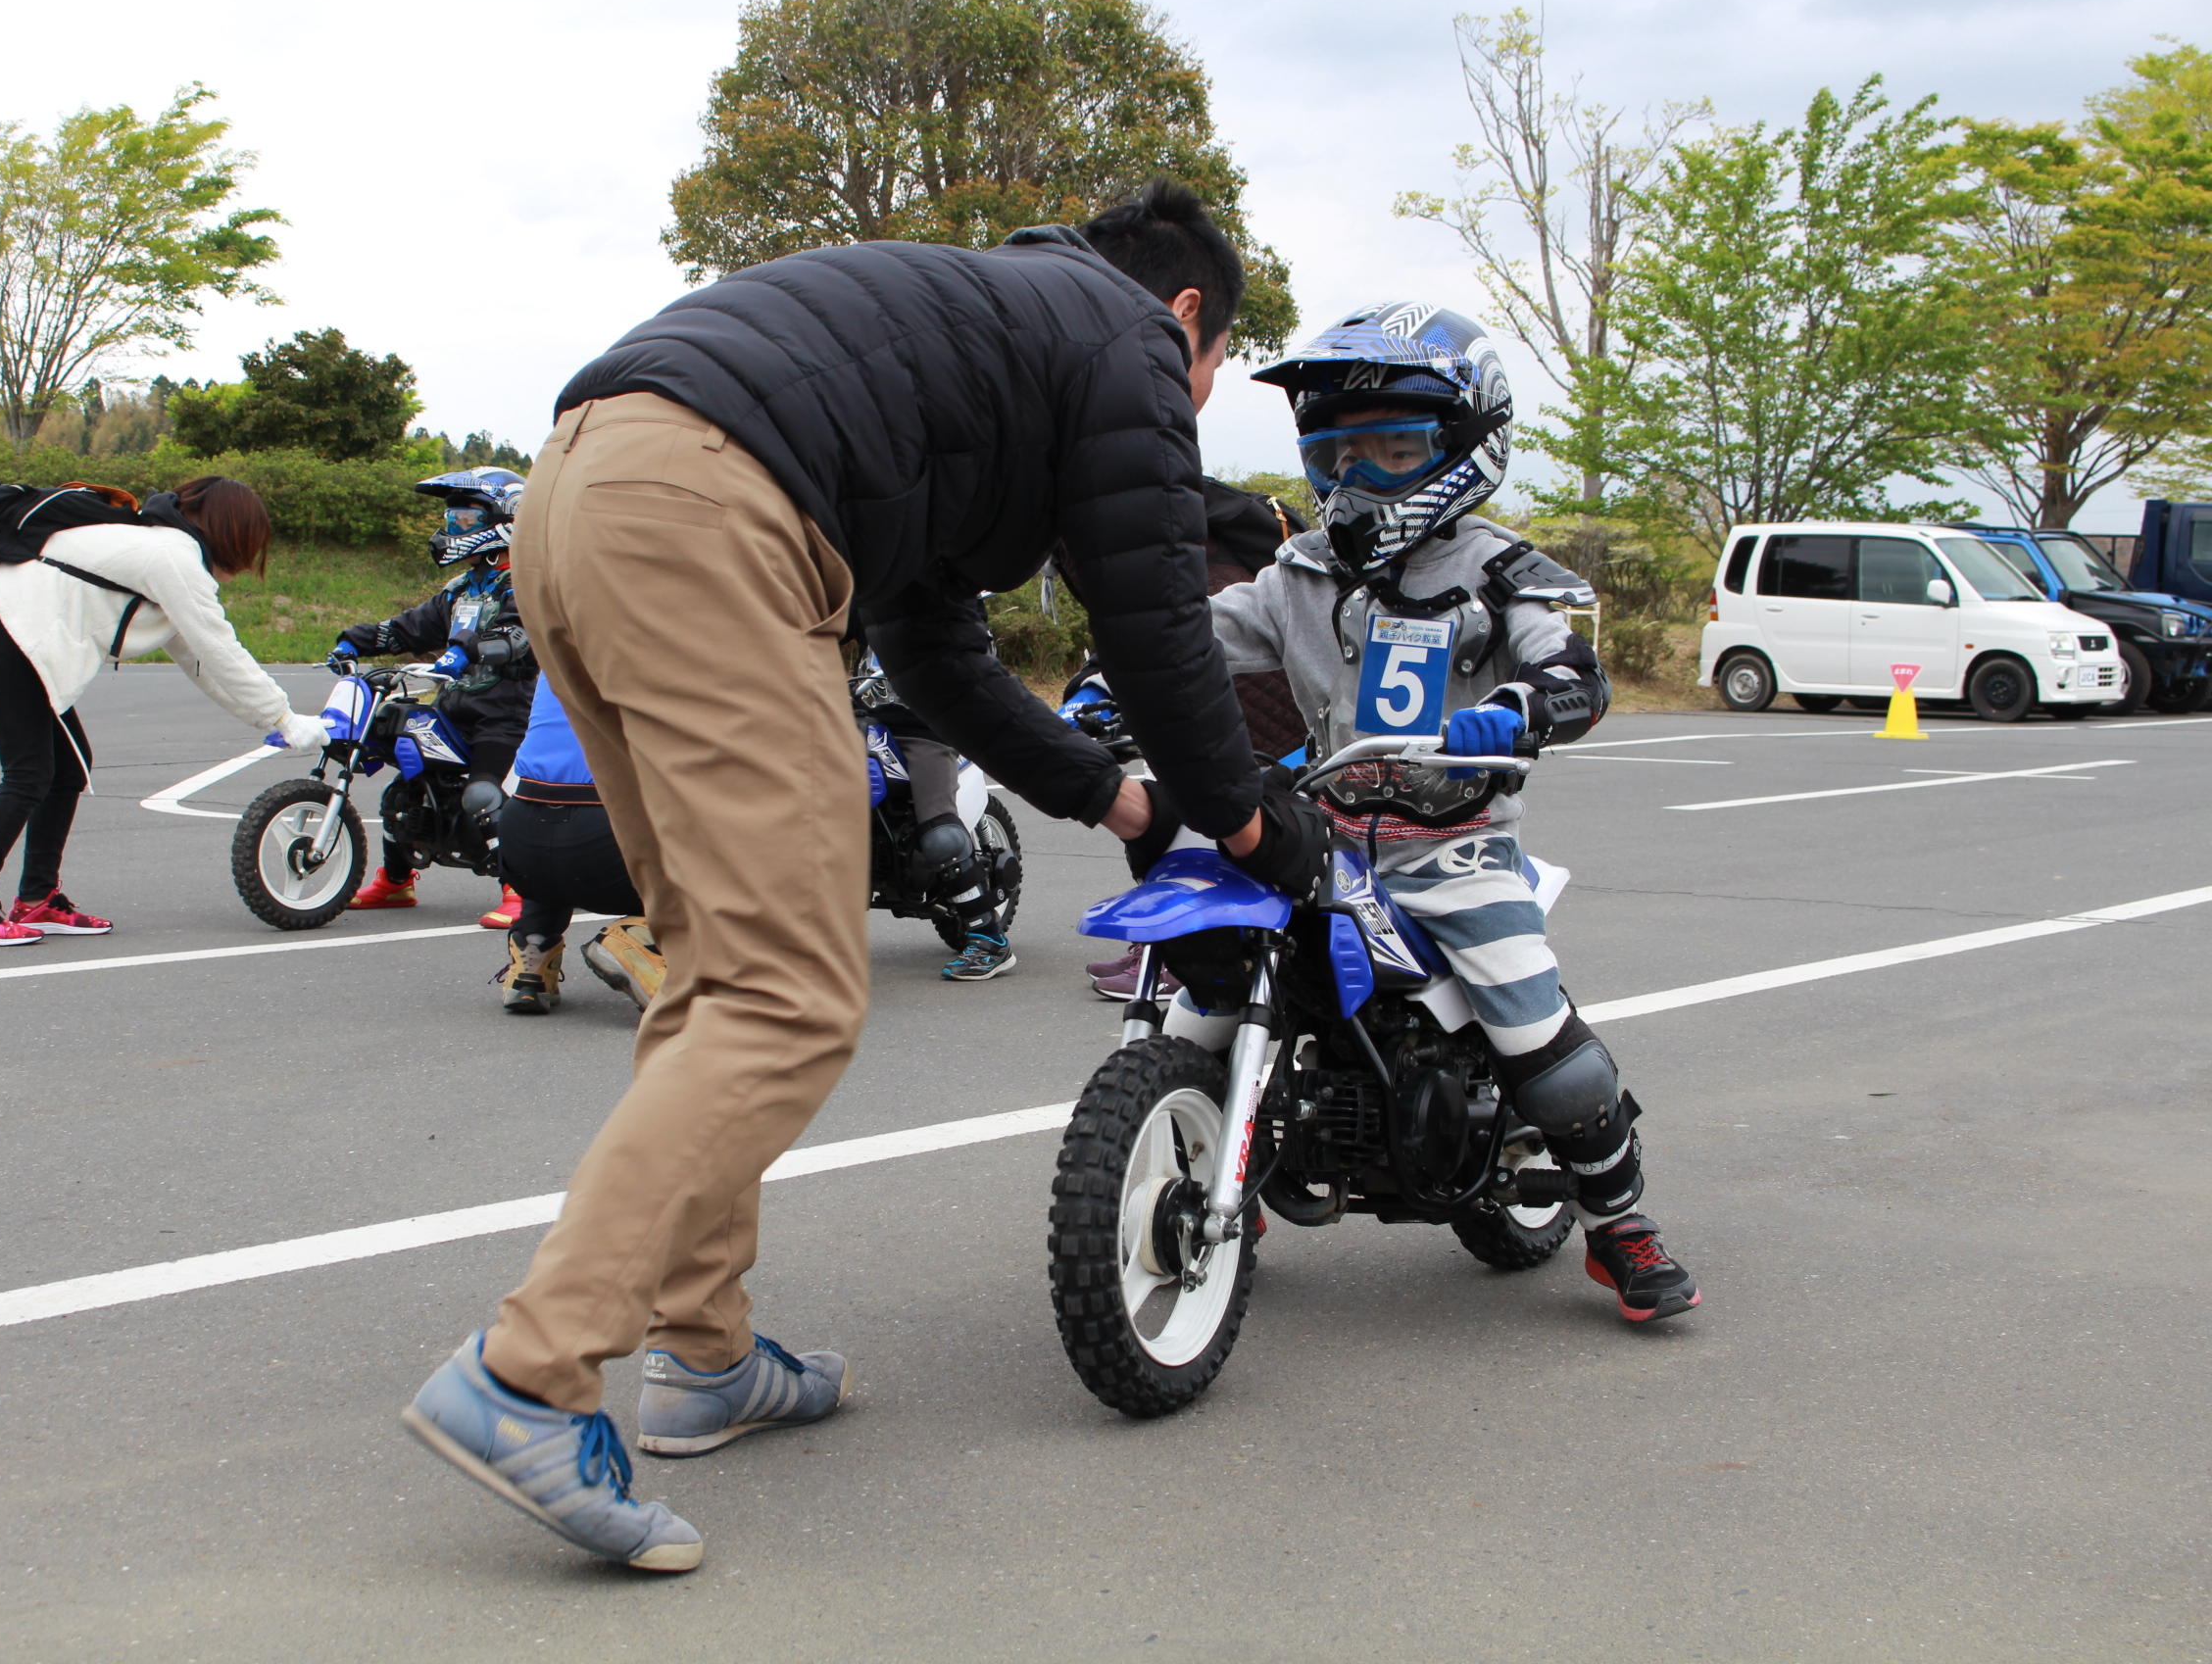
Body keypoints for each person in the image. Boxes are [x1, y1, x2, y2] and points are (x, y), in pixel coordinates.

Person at [401, 180, 1324, 1574]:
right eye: (1210, 376)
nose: (1190, 403)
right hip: (717, 514)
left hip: (578, 493)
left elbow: (941, 655)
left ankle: (705, 1356)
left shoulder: (963, 344)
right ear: (1188, 314)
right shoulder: (1126, 335)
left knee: (715, 970)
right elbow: (1153, 617)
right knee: (790, 999)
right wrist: (1249, 822)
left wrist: (1116, 797)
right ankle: (528, 1377)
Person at [1201, 298, 1700, 1325]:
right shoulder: (1293, 577)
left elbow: (1573, 672)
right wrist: (1103, 685)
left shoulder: (1501, 570)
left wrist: (1520, 705)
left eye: (1392, 447)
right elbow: (1186, 641)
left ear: (1465, 447)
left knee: (1532, 1032)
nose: (1357, 478)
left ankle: (1620, 1225)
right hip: (1323, 837)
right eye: (1336, 454)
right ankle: (1218, 1172)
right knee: (1218, 984)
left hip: (1457, 847)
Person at [0, 476, 330, 947]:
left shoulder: (162, 550)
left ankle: (37, 900)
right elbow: (218, 647)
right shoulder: (173, 558)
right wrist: (283, 719)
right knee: (28, 773)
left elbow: (199, 659)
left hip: (5, 625)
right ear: (233, 532)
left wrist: (273, 718)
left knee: (66, 770)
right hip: (4, 627)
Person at [1078, 475, 1309, 999]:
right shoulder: (1203, 537)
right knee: (1179, 815)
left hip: (1238, 699)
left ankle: (1184, 949)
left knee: (1216, 820)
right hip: (1226, 695)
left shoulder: (1179, 555)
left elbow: (1177, 631)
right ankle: (1167, 944)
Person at [332, 467, 537, 929]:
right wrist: (354, 641)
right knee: (406, 789)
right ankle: (396, 882)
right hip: (455, 707)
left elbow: (514, 633)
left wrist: (466, 653)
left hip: (507, 713)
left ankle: (520, 891)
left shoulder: (527, 581)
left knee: (482, 794)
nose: (454, 528)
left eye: (465, 519)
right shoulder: (462, 588)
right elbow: (408, 627)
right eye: (453, 519)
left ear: (507, 519)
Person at [489, 671, 664, 1015]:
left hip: (521, 837)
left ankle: (532, 955)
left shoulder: (554, 651)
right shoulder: (663, 646)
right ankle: (642, 937)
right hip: (607, 843)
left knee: (555, 813)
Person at [856, 651, 1015, 981]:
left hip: (926, 725)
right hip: (857, 718)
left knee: (941, 836)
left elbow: (971, 650)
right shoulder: (855, 602)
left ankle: (990, 940)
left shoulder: (937, 603)